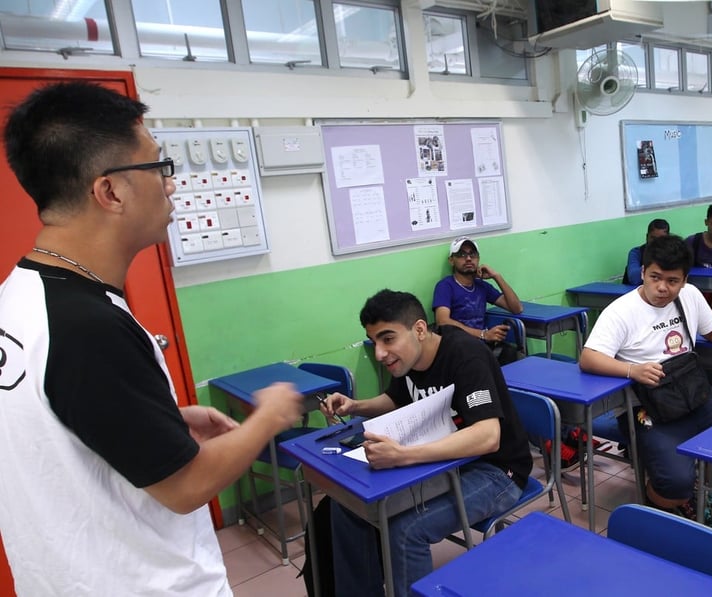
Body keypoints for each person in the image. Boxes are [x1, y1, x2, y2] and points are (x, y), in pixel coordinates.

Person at [0, 82, 305, 595]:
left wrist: (163, 419)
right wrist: (269, 416)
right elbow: (186, 487)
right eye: (159, 168)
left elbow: (53, 423)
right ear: (111, 191)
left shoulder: (20, 299)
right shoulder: (87, 326)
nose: (172, 186)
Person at [321, 289, 532, 597]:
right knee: (347, 505)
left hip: (497, 472)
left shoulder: (466, 355)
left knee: (406, 531)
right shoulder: (408, 362)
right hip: (447, 464)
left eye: (388, 339)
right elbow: (395, 400)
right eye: (374, 341)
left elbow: (488, 436)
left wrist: (403, 456)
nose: (379, 353)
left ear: (419, 329)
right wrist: (354, 406)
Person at [580, 234, 712, 530]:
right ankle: (661, 511)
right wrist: (631, 370)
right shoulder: (621, 311)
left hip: (692, 398)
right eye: (655, 277)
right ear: (643, 272)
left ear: (685, 279)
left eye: (672, 281)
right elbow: (589, 357)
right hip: (647, 409)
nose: (662, 288)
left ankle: (702, 491)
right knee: (675, 482)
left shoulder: (690, 296)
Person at [432, 236, 523, 364]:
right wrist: (483, 334)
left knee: (511, 354)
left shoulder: (482, 286)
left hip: (481, 346)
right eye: (461, 254)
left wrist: (496, 276)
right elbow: (442, 321)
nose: (468, 258)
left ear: (478, 259)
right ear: (451, 260)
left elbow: (516, 308)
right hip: (458, 347)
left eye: (472, 254)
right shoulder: (445, 286)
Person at [623, 218, 670, 285]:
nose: (656, 242)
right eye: (653, 238)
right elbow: (634, 279)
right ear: (647, 237)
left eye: (661, 239)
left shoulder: (673, 254)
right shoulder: (636, 253)